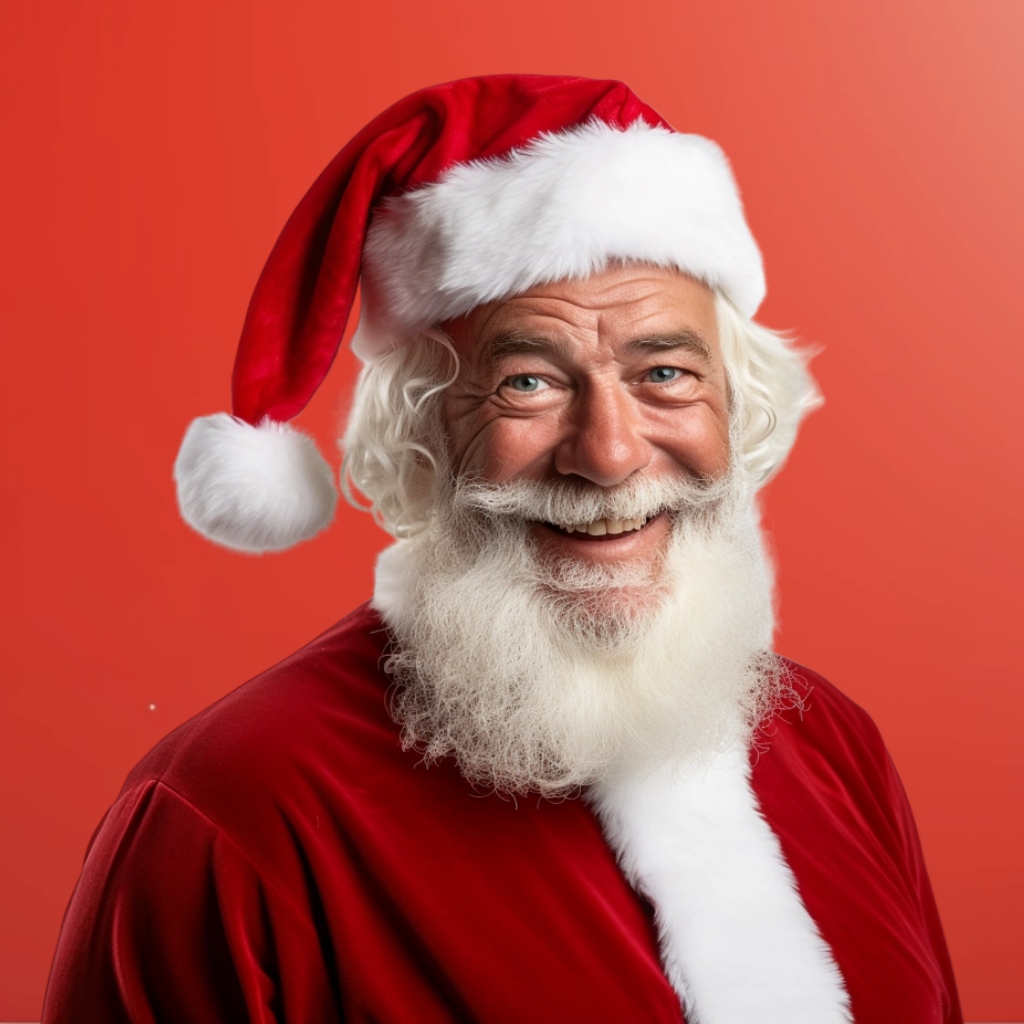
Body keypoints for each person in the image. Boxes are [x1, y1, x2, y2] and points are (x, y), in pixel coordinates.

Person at [42, 75, 962, 1024]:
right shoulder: (232, 813)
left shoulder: (835, 743)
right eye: (528, 381)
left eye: (665, 374)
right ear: (420, 431)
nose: (609, 455)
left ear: (736, 405)